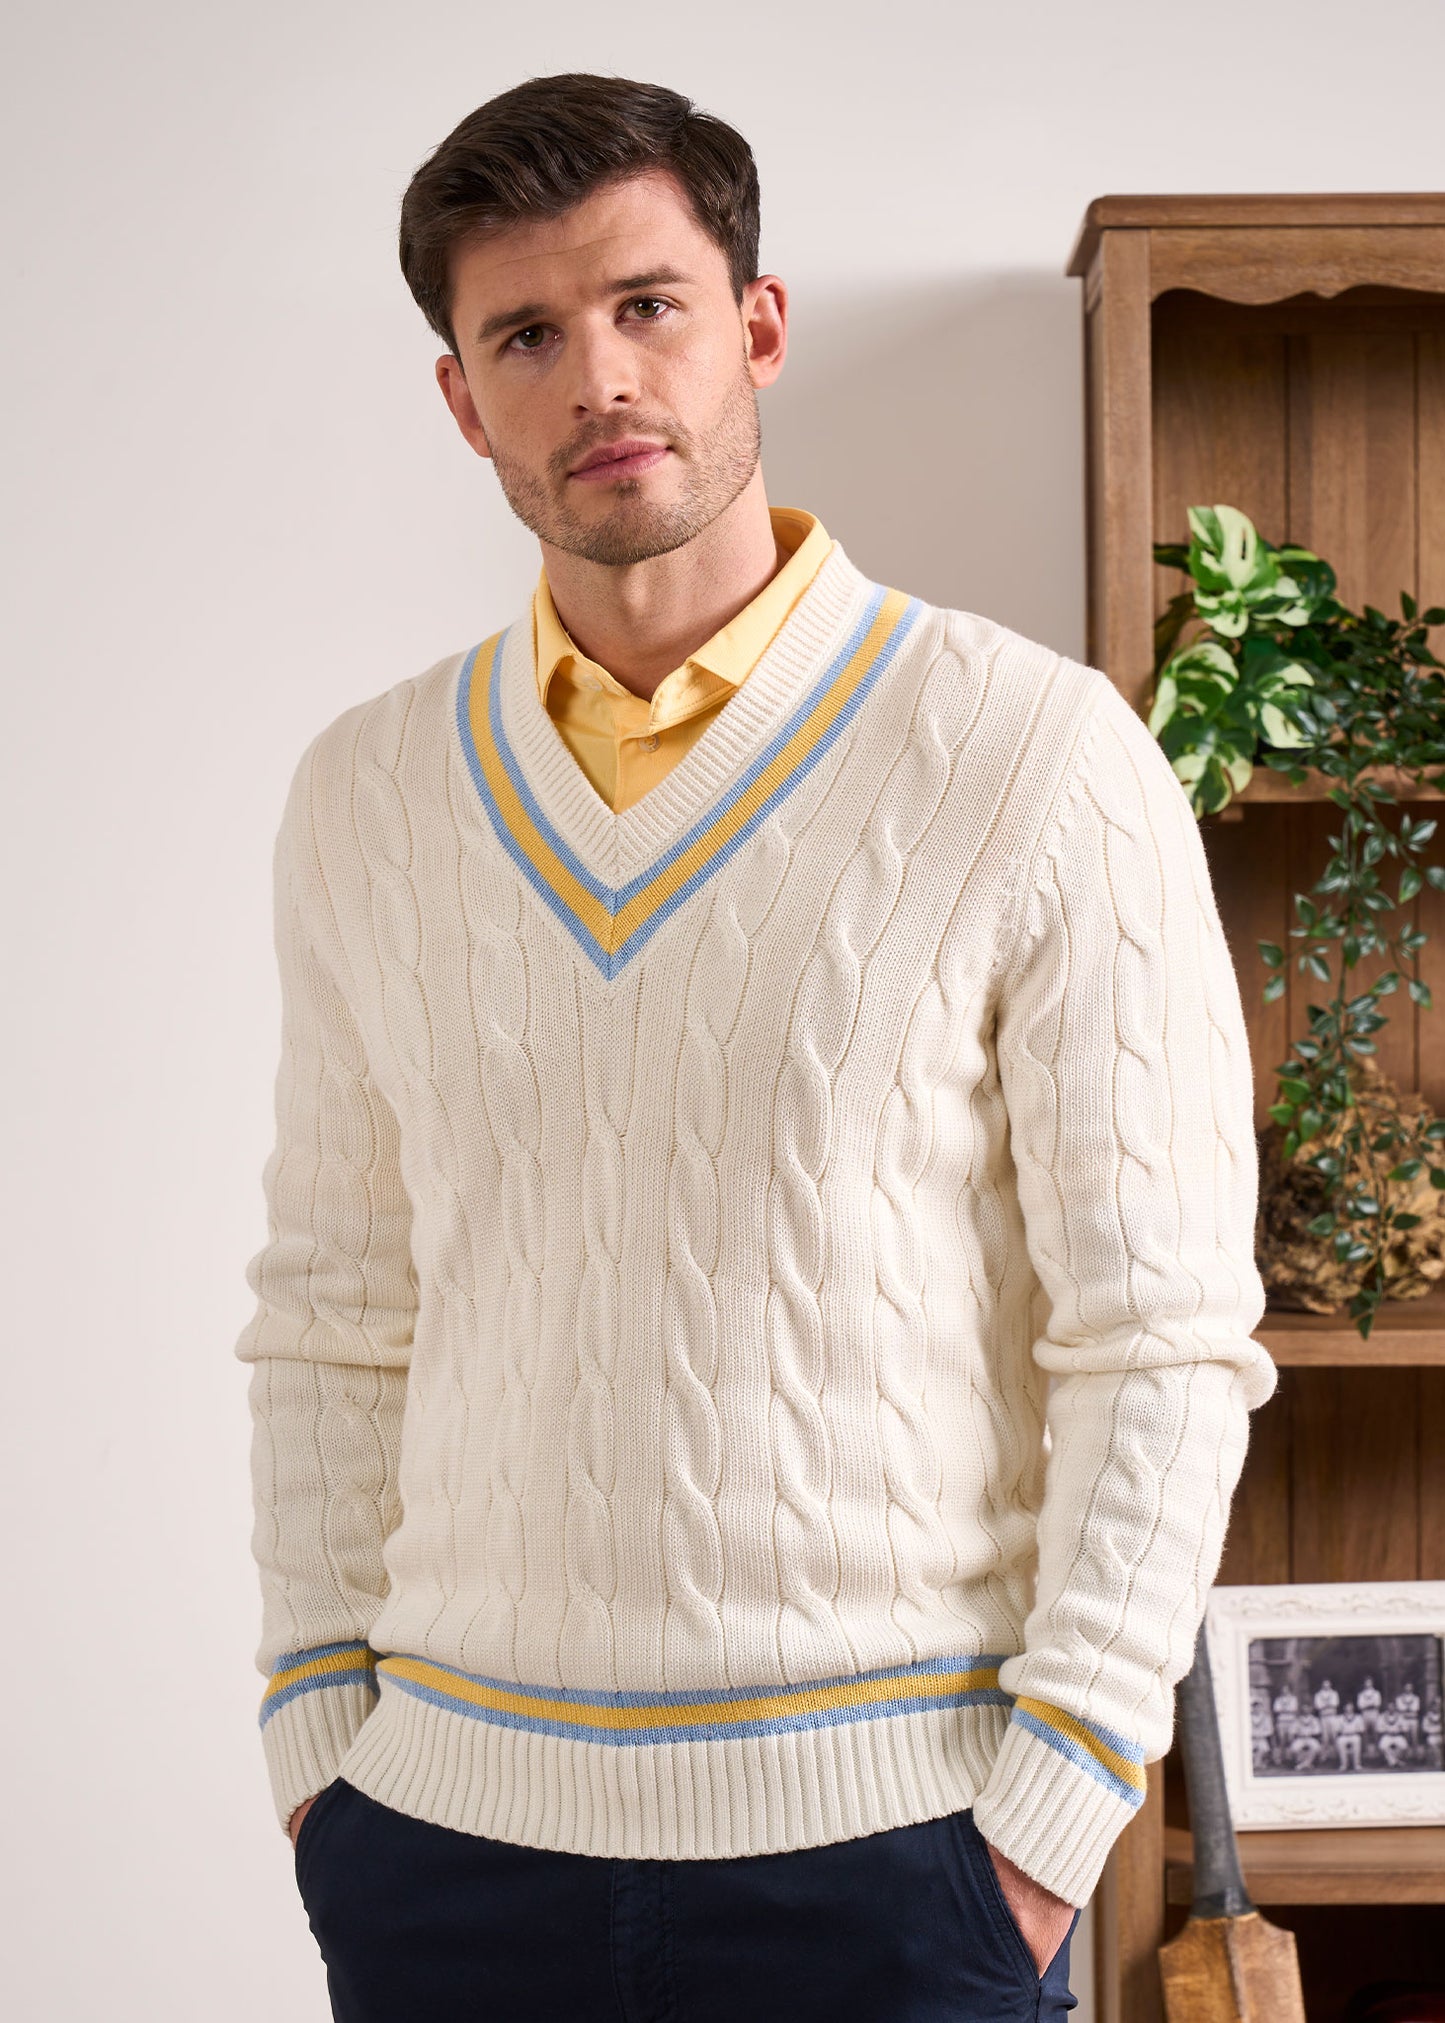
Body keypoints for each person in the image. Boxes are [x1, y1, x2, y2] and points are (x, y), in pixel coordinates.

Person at [233, 71, 1279, 2023]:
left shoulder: (1034, 756)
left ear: (758, 326)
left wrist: (1048, 1819)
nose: (599, 379)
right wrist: (322, 1752)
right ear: (461, 399)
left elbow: (1161, 1334)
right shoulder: (363, 797)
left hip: (900, 1868)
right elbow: (332, 1314)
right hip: (446, 1857)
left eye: (649, 305)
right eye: (525, 336)